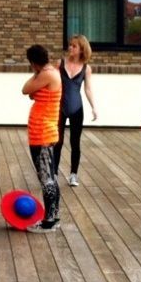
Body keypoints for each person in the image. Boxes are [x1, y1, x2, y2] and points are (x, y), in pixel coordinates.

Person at [22, 44, 63, 231]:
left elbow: (25, 89)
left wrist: (37, 73)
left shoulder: (47, 74)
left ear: (33, 62)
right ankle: (53, 217)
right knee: (50, 177)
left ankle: (48, 222)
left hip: (43, 133)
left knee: (46, 178)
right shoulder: (49, 73)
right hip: (41, 132)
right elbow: (32, 94)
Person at [52, 34, 98, 187]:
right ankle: (54, 174)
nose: (70, 48)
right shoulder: (59, 63)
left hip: (77, 109)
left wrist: (94, 107)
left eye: (74, 46)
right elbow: (49, 82)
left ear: (81, 49)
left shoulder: (86, 68)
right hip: (59, 108)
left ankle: (73, 174)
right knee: (57, 142)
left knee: (75, 143)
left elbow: (88, 89)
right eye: (70, 45)